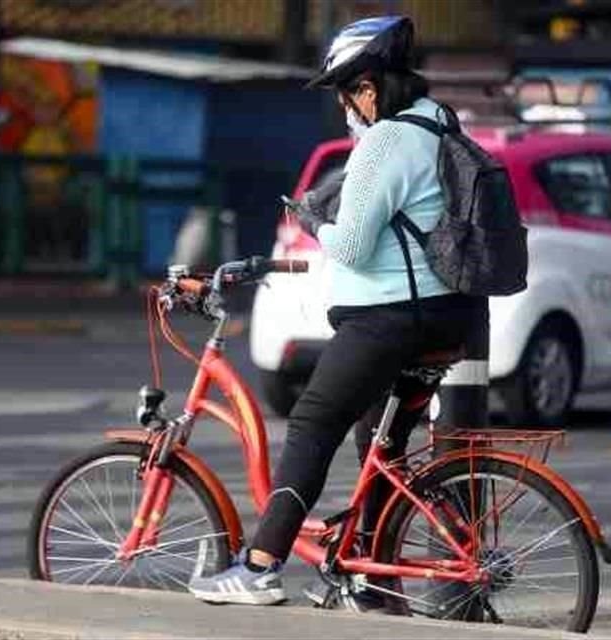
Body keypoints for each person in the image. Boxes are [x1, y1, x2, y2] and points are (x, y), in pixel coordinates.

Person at [188, 15, 488, 607]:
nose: (346, 108)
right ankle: (374, 582)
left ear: (369, 88)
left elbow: (351, 244)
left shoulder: (385, 141)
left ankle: (260, 564)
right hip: (450, 313)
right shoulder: (437, 124)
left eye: (346, 94)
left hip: (391, 318)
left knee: (312, 423)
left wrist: (316, 222)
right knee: (382, 447)